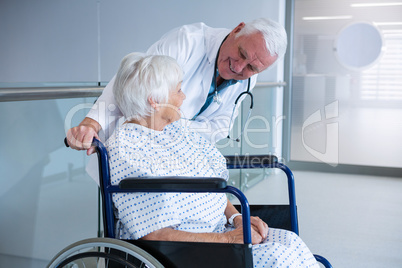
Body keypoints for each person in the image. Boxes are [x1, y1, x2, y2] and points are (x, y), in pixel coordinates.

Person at [105, 52, 318, 268]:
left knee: (291, 242)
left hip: (217, 232)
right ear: (155, 100)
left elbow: (210, 183)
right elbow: (153, 233)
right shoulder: (128, 147)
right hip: (186, 250)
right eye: (178, 90)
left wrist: (237, 220)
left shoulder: (177, 129)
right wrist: (228, 240)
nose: (184, 97)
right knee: (279, 259)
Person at [66, 18, 287, 154]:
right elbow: (133, 80)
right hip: (138, 151)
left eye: (252, 68)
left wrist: (175, 129)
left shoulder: (249, 78)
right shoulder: (188, 41)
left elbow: (220, 126)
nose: (239, 68)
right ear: (238, 29)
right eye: (241, 54)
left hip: (180, 158)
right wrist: (92, 123)